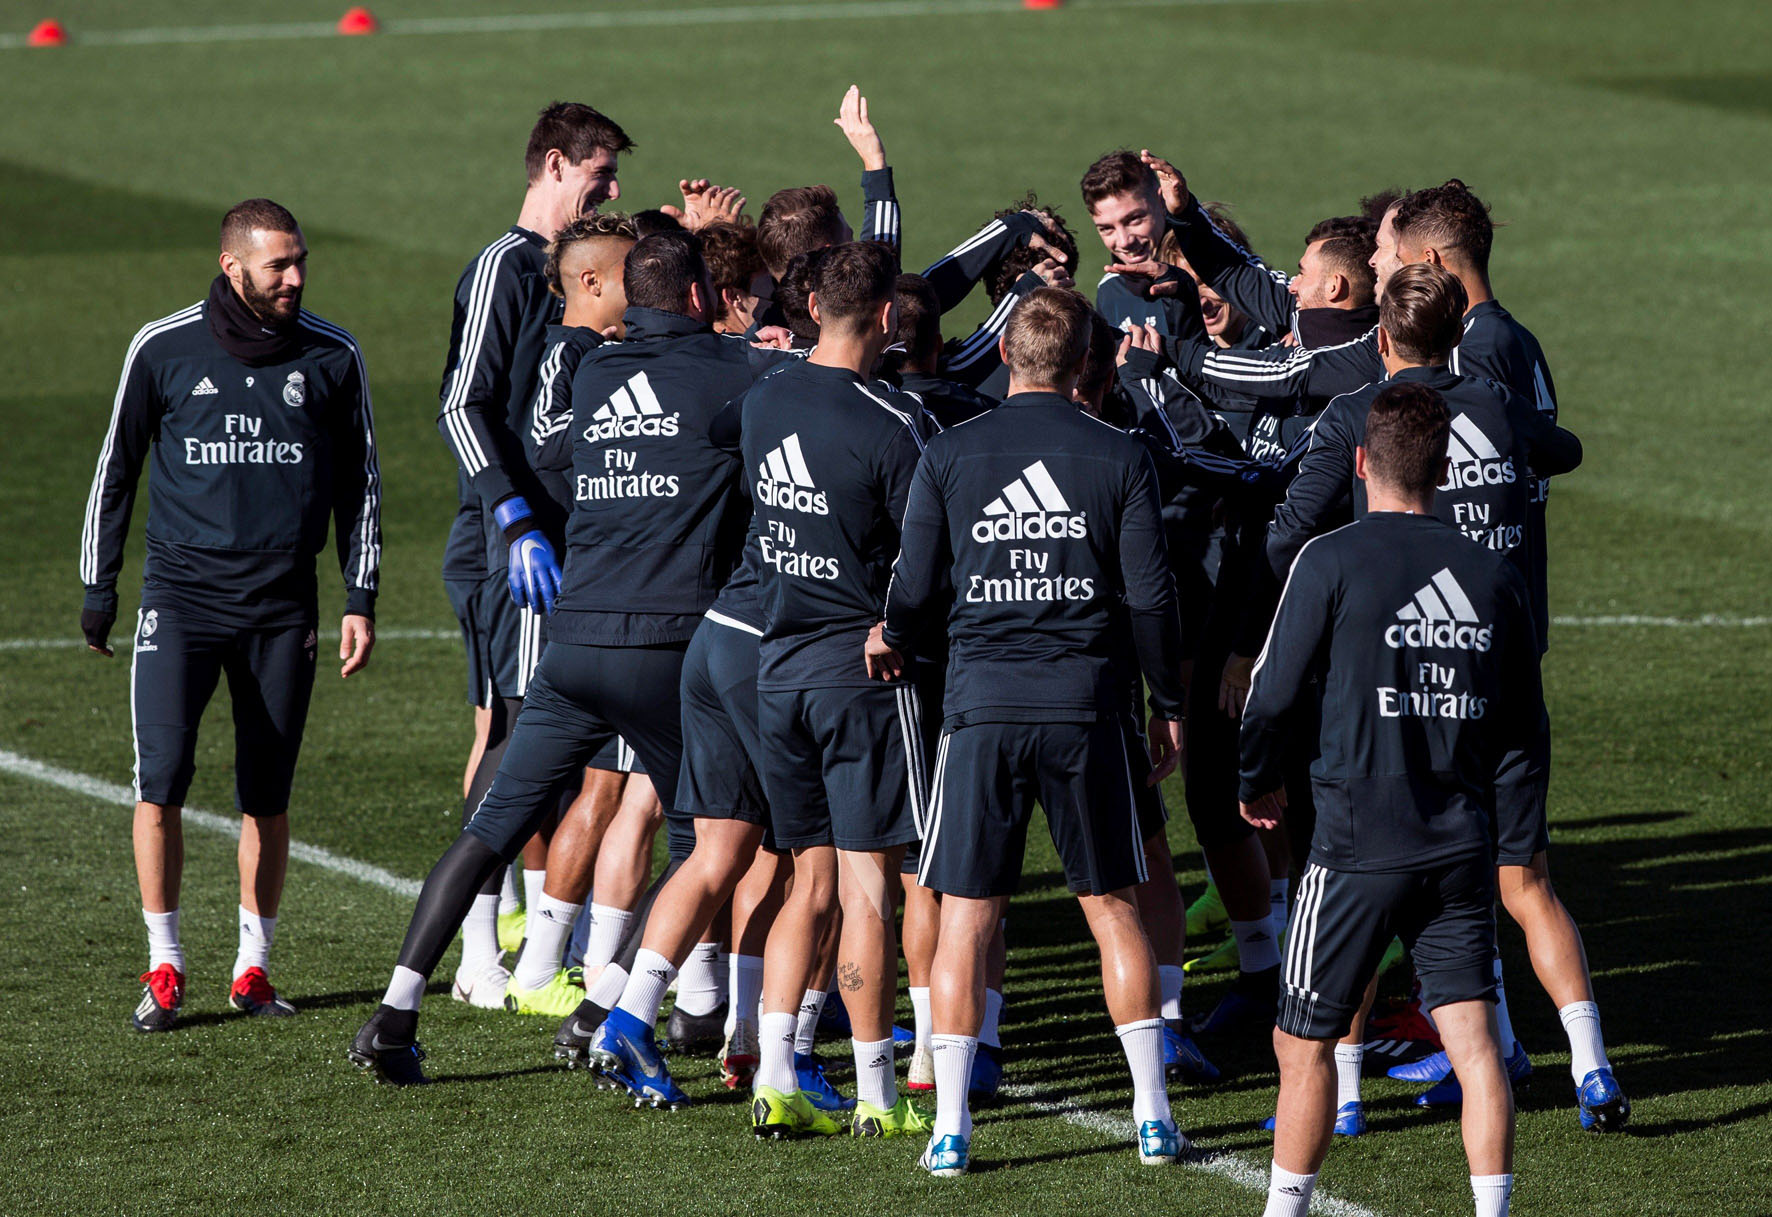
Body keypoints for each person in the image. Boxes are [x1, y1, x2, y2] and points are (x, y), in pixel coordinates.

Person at [348, 232, 767, 1086]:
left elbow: (544, 445)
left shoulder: (596, 375)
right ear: (698, 298)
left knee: (486, 830)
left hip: (572, 648)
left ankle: (394, 1013)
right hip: (667, 651)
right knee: (714, 842)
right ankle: (606, 1005)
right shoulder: (738, 372)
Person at [879, 287, 1191, 1176]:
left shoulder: (949, 451)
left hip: (981, 707)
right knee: (1112, 906)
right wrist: (1166, 701)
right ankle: (1152, 1114)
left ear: (1008, 353)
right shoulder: (1120, 455)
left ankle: (950, 1128)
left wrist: (896, 637)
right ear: (1085, 358)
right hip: (1088, 705)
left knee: (968, 918)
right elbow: (1149, 596)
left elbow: (914, 586)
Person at [1239, 380, 1541, 1217]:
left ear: (1363, 463)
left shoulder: (1329, 557)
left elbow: (1269, 695)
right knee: (1475, 1040)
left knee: (1300, 1042)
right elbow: (1525, 728)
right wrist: (1504, 835)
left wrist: (1254, 778)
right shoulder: (1491, 572)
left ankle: (1285, 1209)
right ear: (1443, 469)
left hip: (1352, 843)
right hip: (1459, 841)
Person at [80, 197, 380, 1031]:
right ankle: (165, 963)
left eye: (301, 260)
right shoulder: (163, 346)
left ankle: (253, 965)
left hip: (286, 607)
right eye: (278, 264)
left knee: (267, 793)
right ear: (231, 266)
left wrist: (360, 595)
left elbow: (361, 485)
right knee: (161, 782)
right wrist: (99, 586)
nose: (295, 276)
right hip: (180, 600)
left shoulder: (333, 355)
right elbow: (116, 469)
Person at [435, 101, 632, 1009]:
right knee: (512, 735)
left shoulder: (564, 276)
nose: (611, 189)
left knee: (544, 735)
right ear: (555, 165)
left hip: (558, 547)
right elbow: (461, 406)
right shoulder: (502, 270)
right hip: (508, 549)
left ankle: (526, 926)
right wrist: (511, 515)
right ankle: (478, 954)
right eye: (599, 174)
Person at [738, 241, 935, 1139]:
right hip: (860, 677)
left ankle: (775, 1075)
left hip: (775, 671)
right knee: (868, 889)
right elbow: (930, 564)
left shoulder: (764, 395)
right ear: (890, 318)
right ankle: (876, 1094)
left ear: (814, 305)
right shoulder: (894, 423)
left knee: (802, 881)